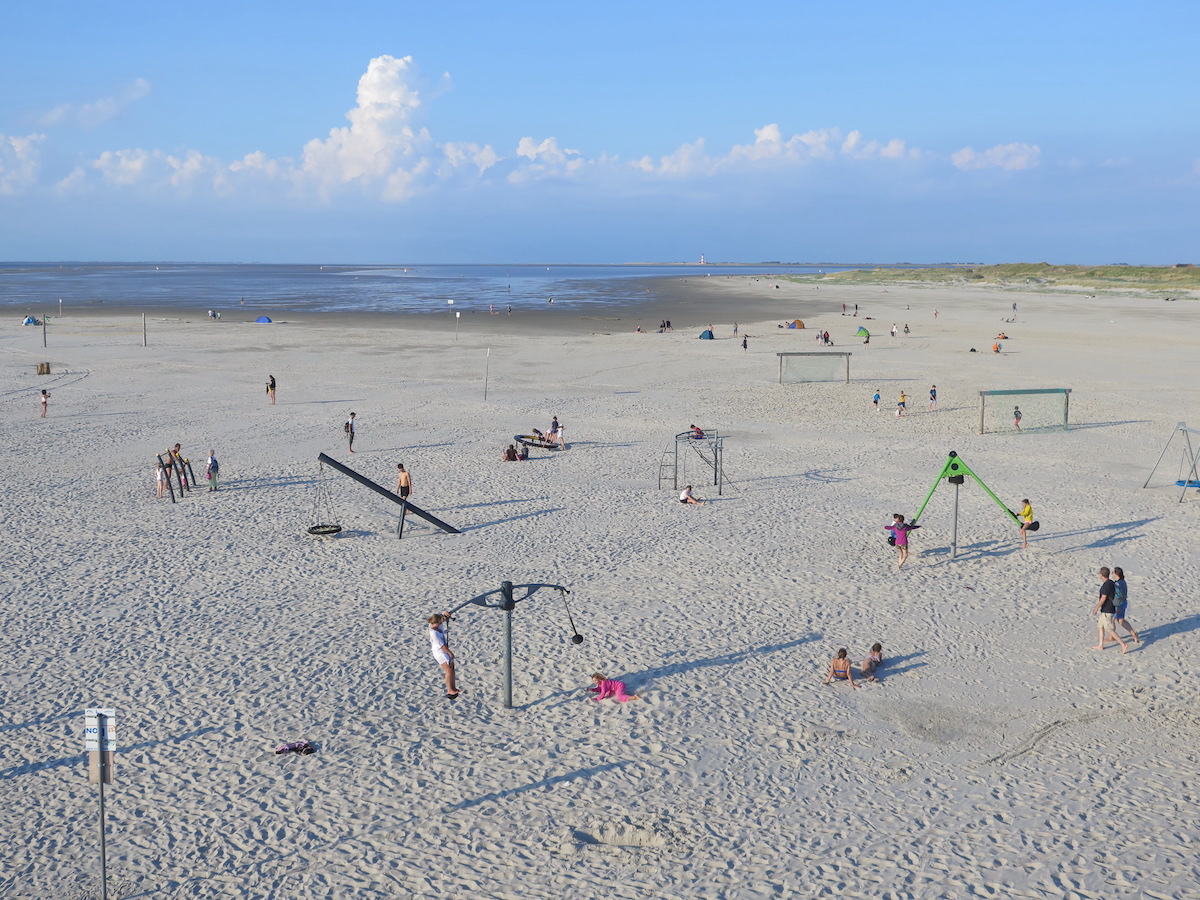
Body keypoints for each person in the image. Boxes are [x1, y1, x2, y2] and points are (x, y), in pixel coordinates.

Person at [1092, 566, 1129, 653]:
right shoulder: (1111, 582)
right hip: (1106, 610)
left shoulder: (1106, 585)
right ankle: (1100, 645)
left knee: (1109, 629)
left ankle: (1123, 644)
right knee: (1100, 627)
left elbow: (1103, 598)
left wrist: (1096, 608)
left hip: (1107, 610)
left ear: (1101, 575)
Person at [428, 613, 460, 700]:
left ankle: (453, 687)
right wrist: (450, 653)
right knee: (448, 670)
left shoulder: (437, 625)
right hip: (439, 652)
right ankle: (449, 690)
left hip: (443, 650)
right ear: (435, 623)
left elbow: (442, 618)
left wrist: (445, 614)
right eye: (439, 622)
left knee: (452, 668)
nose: (440, 624)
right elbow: (442, 646)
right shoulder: (433, 633)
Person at [1112, 566, 1141, 643]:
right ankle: (1133, 634)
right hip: (1124, 603)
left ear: (1116, 574)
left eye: (1113, 572)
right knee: (1121, 621)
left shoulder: (1117, 584)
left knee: (1112, 620)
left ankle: (1111, 637)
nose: (1112, 574)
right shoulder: (1123, 582)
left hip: (1118, 604)